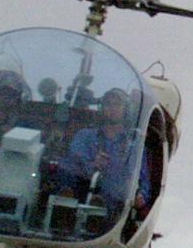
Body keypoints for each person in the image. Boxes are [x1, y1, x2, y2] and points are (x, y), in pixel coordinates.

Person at [65, 87, 152, 218]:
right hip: (80, 191)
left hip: (114, 205)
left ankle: (96, 214)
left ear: (126, 110)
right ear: (102, 108)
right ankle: (64, 207)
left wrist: (141, 196)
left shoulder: (134, 146)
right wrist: (93, 164)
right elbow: (70, 163)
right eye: (108, 104)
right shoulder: (84, 136)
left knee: (116, 188)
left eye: (117, 104)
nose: (112, 108)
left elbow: (142, 180)